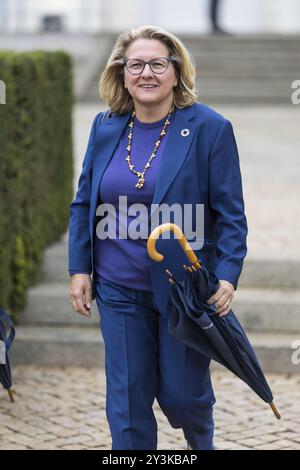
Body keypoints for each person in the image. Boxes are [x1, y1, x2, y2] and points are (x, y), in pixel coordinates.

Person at [68, 25, 247, 450]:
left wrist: (227, 274)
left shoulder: (209, 128)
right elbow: (83, 203)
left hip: (182, 289)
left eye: (157, 63)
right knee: (127, 405)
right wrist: (79, 268)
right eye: (136, 64)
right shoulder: (106, 126)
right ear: (122, 73)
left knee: (184, 398)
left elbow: (230, 215)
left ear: (176, 70)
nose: (146, 73)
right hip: (118, 289)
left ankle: (200, 442)